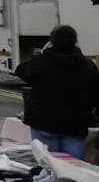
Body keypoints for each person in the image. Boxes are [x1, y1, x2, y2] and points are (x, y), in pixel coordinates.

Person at [15, 25, 99, 160]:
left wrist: (43, 52)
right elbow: (95, 94)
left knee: (48, 164)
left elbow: (22, 71)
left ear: (52, 41)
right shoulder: (88, 65)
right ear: (75, 42)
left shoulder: (42, 61)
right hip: (75, 124)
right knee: (74, 170)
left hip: (44, 121)